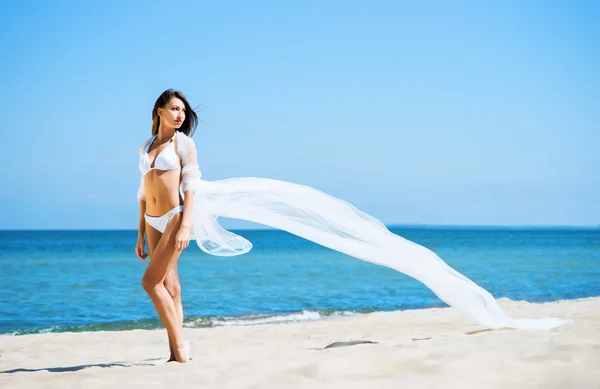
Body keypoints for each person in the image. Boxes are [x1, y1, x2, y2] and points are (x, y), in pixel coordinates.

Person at [136, 89, 569, 363]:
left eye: (183, 110)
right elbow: (142, 191)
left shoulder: (184, 143)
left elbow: (190, 187)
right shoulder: (146, 147)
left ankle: (179, 348)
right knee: (170, 286)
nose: (180, 115)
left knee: (150, 284)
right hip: (152, 220)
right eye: (174, 109)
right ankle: (177, 343)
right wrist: (140, 230)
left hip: (176, 217)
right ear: (159, 109)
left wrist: (188, 222)